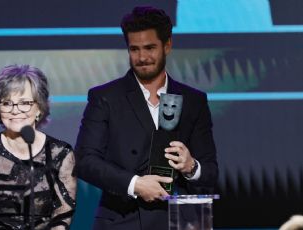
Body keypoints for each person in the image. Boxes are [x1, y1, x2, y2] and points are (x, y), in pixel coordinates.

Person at [74, 6, 218, 230]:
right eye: (134, 49)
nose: (142, 57)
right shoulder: (105, 98)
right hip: (121, 220)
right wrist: (135, 184)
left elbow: (209, 172)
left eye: (150, 48)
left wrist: (191, 166)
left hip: (178, 221)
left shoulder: (193, 101)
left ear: (167, 45)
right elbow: (85, 161)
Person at [0, 64, 77, 230]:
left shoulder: (61, 154)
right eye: (7, 103)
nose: (15, 111)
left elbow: (62, 215)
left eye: (24, 102)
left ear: (39, 107)